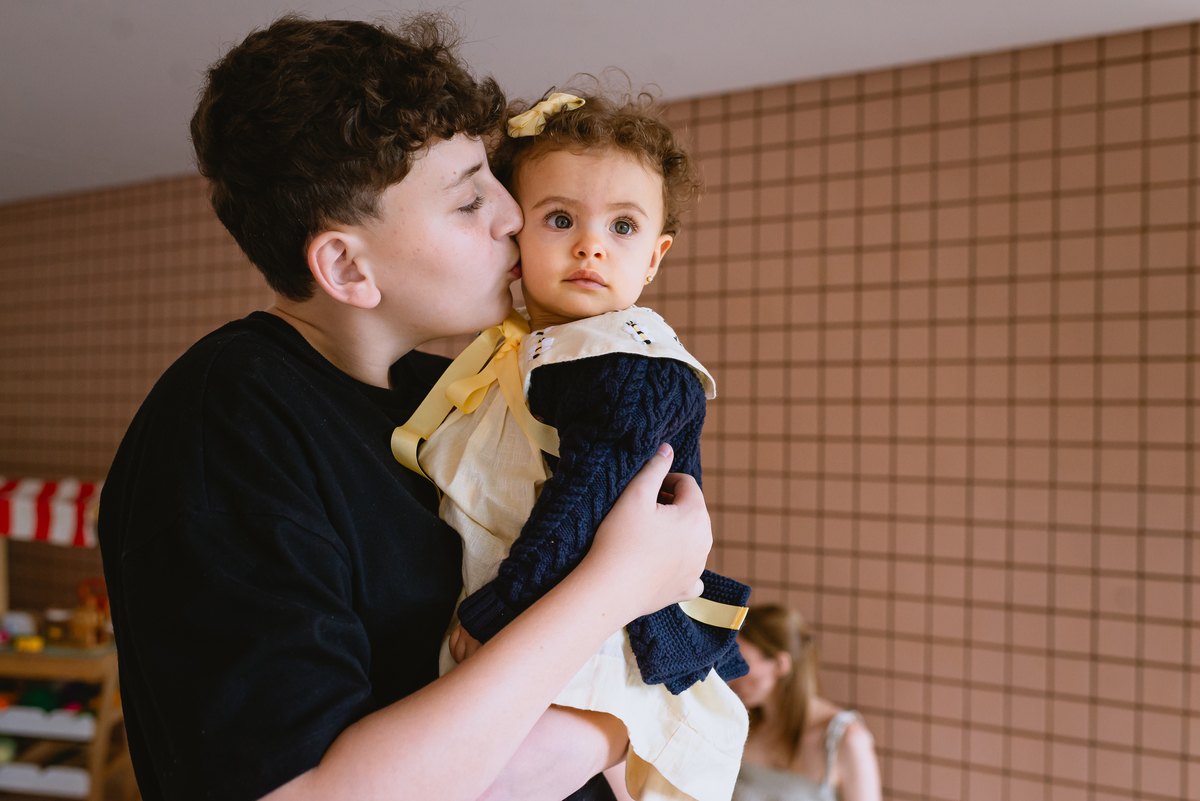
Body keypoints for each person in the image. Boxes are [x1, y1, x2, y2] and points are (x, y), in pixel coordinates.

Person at [96, 16, 714, 801]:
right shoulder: (225, 426)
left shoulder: (457, 391)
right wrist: (615, 597)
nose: (513, 217)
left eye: (495, 178)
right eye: (467, 202)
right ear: (347, 266)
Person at [393, 89, 752, 801]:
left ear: (655, 256)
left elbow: (583, 501)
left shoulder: (630, 364)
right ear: (514, 236)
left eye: (623, 226)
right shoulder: (527, 354)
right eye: (560, 219)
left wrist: (500, 610)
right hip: (536, 628)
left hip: (582, 637)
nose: (591, 244)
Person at [728, 606, 882, 801]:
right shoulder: (740, 727)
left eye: (740, 663)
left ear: (780, 664)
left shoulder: (845, 740)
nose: (730, 677)